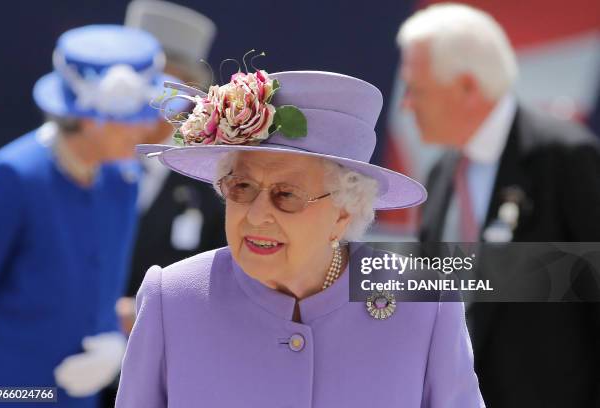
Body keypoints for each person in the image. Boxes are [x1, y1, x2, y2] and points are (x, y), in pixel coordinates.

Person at [115, 69, 485, 407]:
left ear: (344, 212)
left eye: (286, 195)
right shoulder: (173, 297)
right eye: (241, 187)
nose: (257, 215)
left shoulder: (425, 305)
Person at [396, 4, 600, 407]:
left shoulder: (565, 157)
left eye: (416, 89)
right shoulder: (440, 176)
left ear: (468, 87)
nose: (406, 105)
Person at [0, 25, 173, 408]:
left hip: (81, 396)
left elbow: (103, 281)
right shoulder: (12, 177)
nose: (147, 126)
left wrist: (114, 342)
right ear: (90, 118)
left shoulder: (123, 177)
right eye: (136, 115)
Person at [118, 0, 225, 333]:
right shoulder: (80, 165)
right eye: (141, 85)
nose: (151, 103)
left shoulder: (206, 182)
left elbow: (217, 282)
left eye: (167, 90)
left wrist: (147, 313)